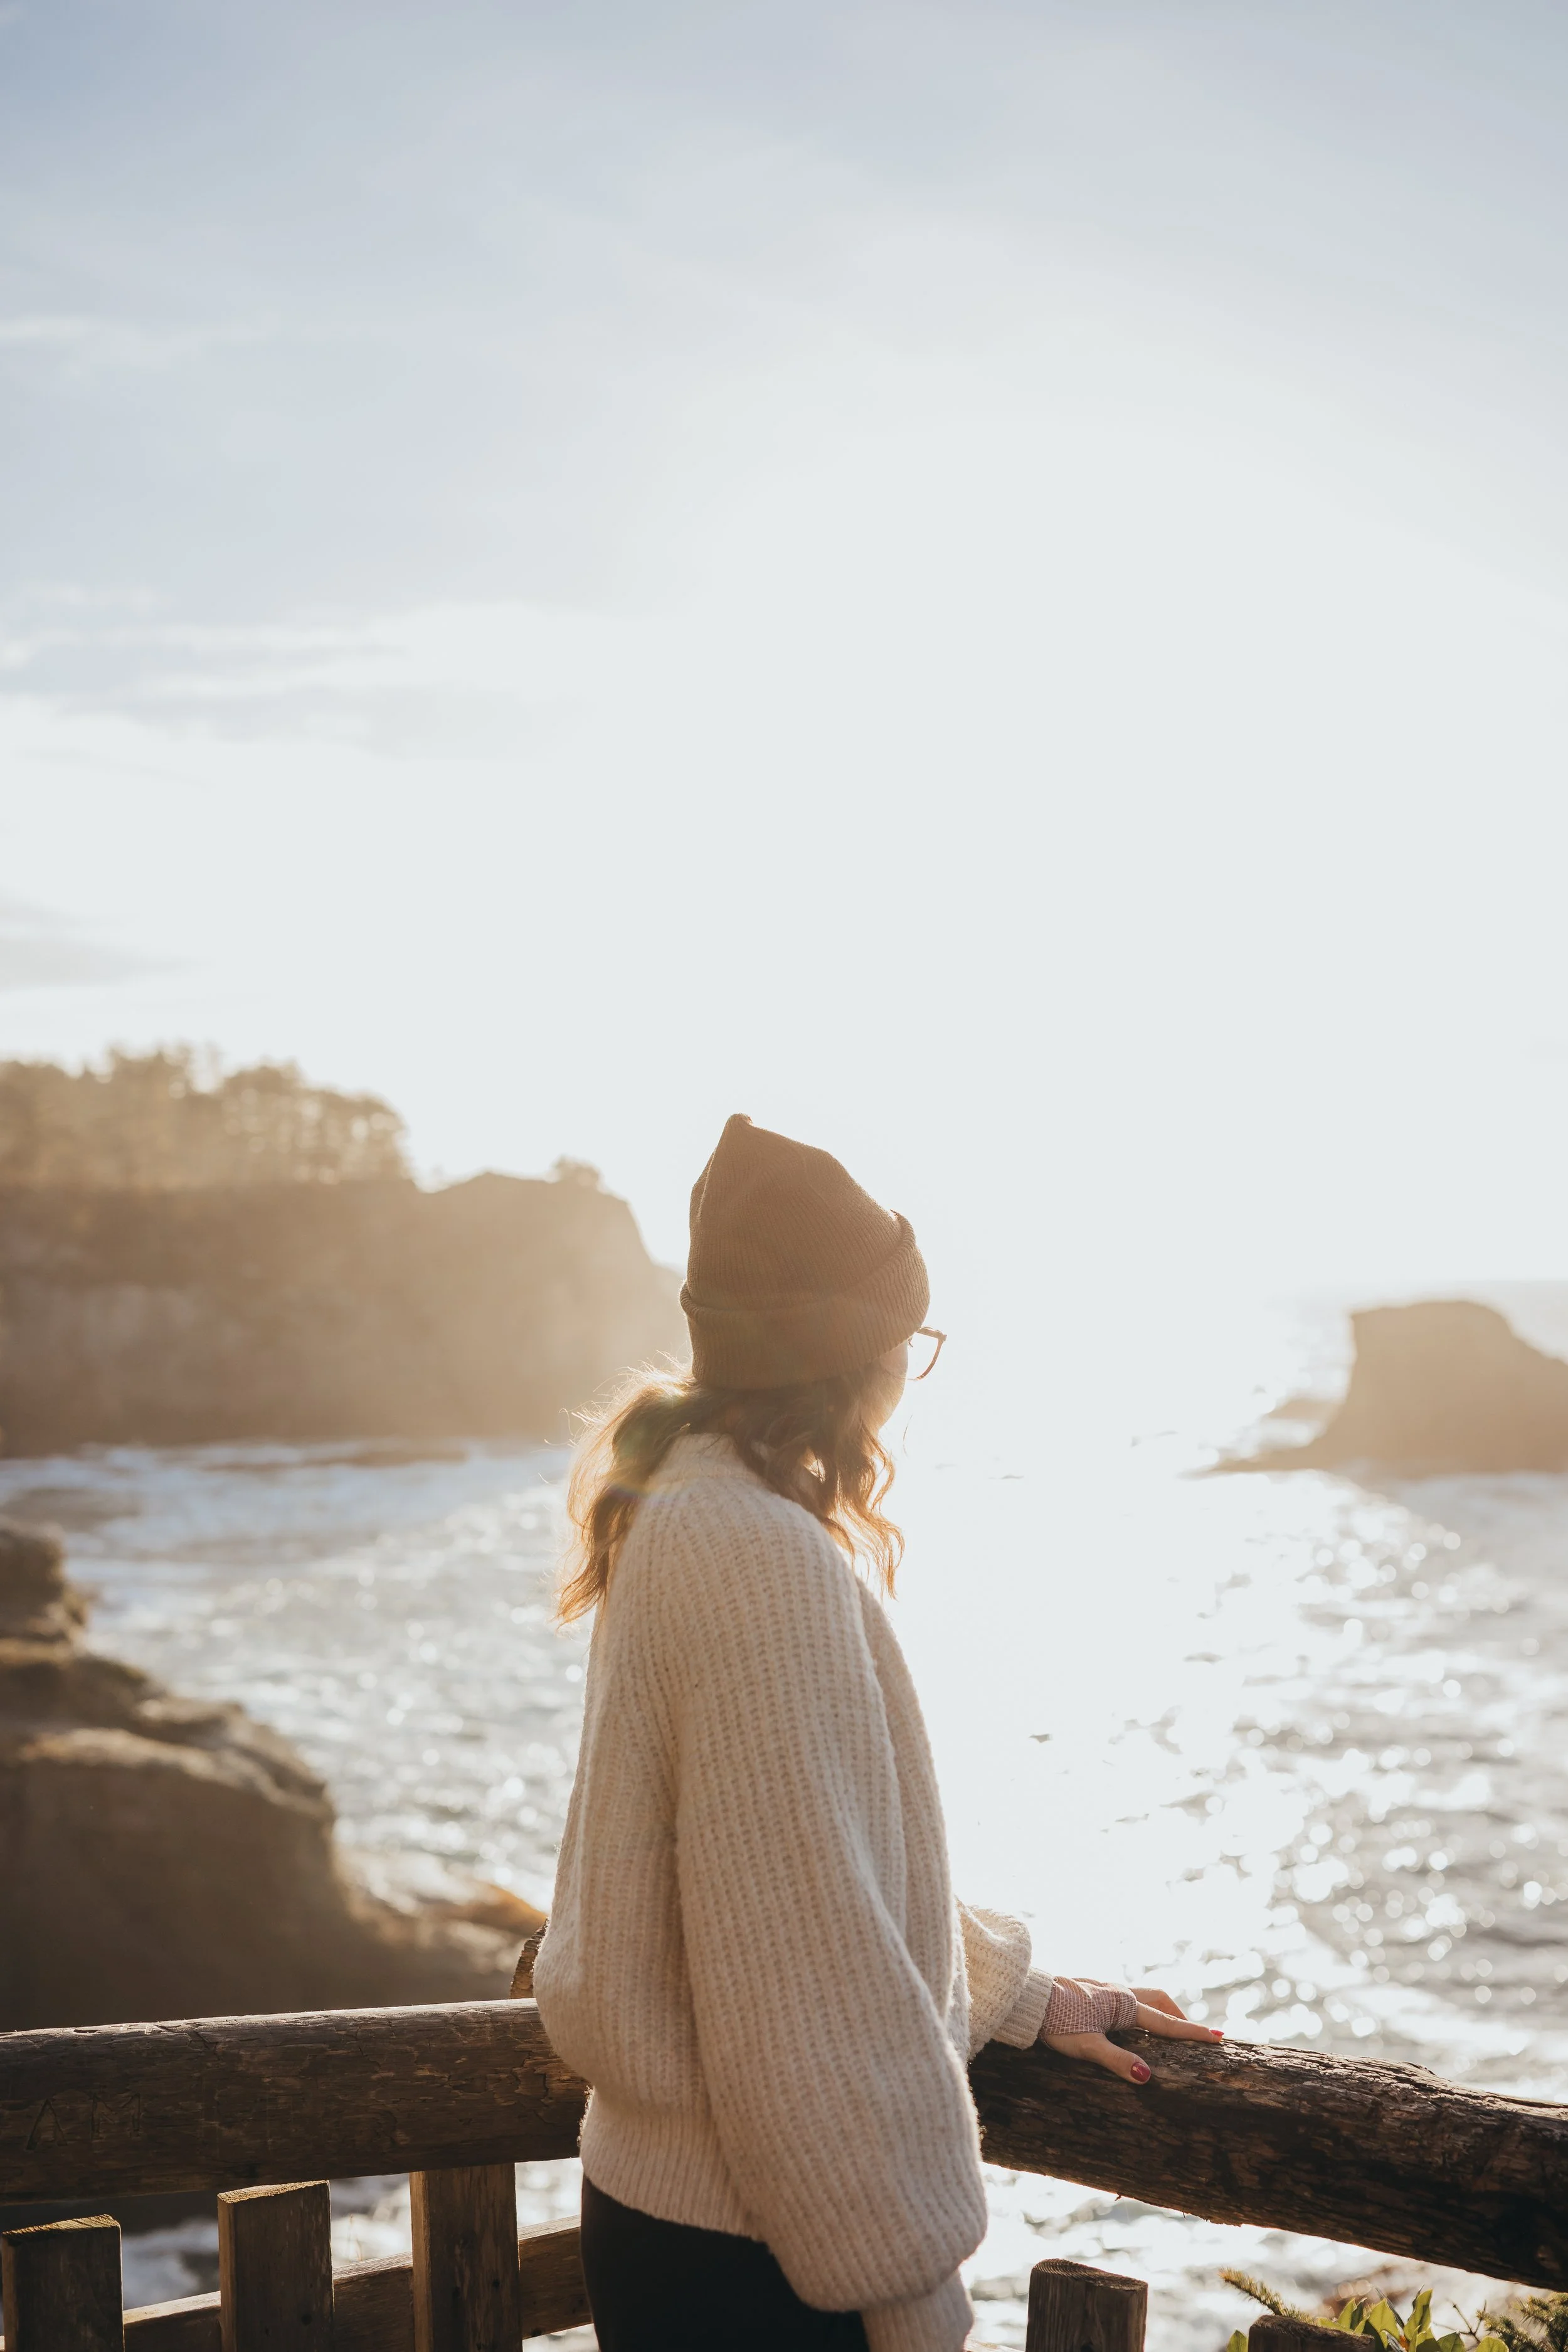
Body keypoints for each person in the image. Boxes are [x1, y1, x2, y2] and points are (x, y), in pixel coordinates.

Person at [533, 1115, 1219, 2352]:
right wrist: (911, 2295)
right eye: (913, 1334)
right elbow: (803, 1971)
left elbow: (771, 1875)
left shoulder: (684, 1503)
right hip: (765, 2271)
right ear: (859, 1352)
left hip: (671, 2222)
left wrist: (1015, 1992)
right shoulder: (753, 1555)